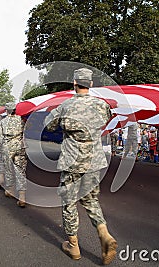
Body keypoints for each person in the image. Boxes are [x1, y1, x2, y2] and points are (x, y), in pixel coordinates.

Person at [44, 68, 117, 265]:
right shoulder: (101, 105)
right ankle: (104, 233)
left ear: (74, 83)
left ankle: (73, 245)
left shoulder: (65, 106)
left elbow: (49, 124)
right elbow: (107, 118)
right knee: (91, 199)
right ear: (91, 84)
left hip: (72, 161)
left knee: (68, 202)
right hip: (93, 162)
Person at [0, 102, 27, 207]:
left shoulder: (3, 122)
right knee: (20, 170)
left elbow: (0, 137)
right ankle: (22, 196)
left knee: (8, 169)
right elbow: (25, 132)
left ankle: (10, 190)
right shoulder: (21, 120)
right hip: (20, 146)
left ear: (6, 110)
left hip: (7, 147)